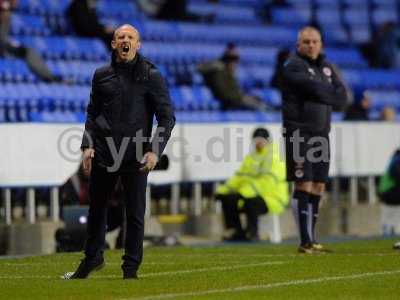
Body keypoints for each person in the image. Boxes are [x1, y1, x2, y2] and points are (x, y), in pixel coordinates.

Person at [63, 24, 175, 280]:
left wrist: (155, 151)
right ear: (114, 44)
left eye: (130, 37)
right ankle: (92, 259)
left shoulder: (151, 75)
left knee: (134, 213)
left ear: (138, 44)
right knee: (96, 209)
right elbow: (92, 114)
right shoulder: (101, 75)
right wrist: (87, 146)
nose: (125, 40)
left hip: (135, 153)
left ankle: (130, 269)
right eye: (120, 37)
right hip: (103, 151)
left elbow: (167, 118)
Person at [281, 26, 347, 253]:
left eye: (314, 41)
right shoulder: (292, 66)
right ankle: (304, 240)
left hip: (322, 133)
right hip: (299, 133)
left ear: (321, 44)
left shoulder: (327, 67)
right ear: (298, 45)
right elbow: (315, 89)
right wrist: (328, 92)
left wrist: (326, 92)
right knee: (303, 183)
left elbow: (343, 98)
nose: (311, 45)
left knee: (319, 184)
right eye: (306, 42)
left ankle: (312, 237)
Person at [215, 127, 289, 241]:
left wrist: (244, 192)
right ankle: (236, 231)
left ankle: (252, 233)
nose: (258, 143)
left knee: (251, 202)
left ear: (267, 141)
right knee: (228, 198)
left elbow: (268, 183)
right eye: (256, 140)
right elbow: (238, 178)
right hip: (252, 193)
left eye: (261, 140)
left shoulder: (274, 157)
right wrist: (223, 190)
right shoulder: (251, 158)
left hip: (273, 198)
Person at [0, 0, 63, 82]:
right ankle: (49, 77)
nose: (17, 2)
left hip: (3, 43)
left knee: (28, 51)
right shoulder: (5, 7)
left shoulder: (7, 10)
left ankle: (48, 77)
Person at [198, 43, 269, 111]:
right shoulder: (218, 71)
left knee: (258, 101)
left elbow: (235, 91)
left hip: (235, 99)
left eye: (236, 59)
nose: (234, 63)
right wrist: (242, 98)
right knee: (256, 104)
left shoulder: (229, 72)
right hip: (229, 101)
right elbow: (225, 94)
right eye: (232, 59)